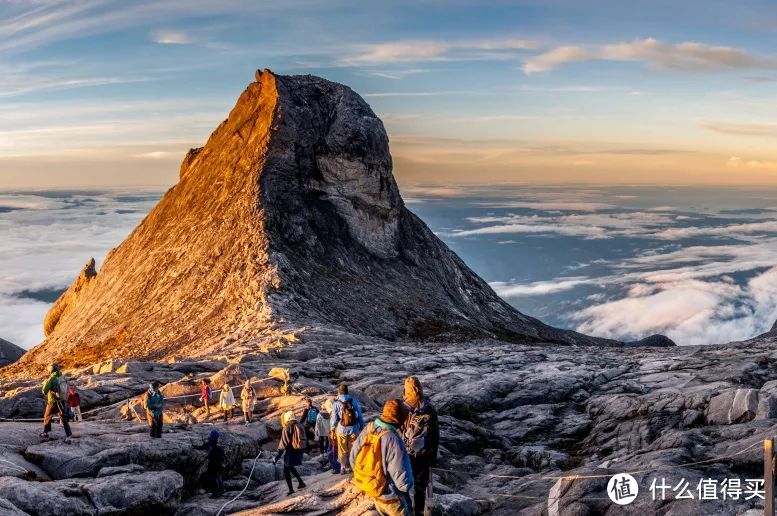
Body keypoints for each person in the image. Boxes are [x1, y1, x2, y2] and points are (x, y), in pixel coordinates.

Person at [351, 399, 413, 516]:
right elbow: (402, 480)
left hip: (372, 489)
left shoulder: (368, 428)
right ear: (399, 419)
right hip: (391, 495)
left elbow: (353, 458)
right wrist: (408, 487)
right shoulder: (394, 439)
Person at [402, 377, 440, 516]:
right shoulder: (429, 408)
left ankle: (406, 511)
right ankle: (419, 512)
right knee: (421, 487)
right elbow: (435, 434)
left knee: (403, 485)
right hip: (424, 455)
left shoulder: (402, 408)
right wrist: (433, 455)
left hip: (406, 455)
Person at [331, 384, 365, 474]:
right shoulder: (353, 401)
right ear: (347, 391)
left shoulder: (336, 403)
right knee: (353, 448)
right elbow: (360, 415)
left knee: (342, 449)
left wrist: (332, 428)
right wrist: (362, 426)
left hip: (341, 429)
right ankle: (351, 467)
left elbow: (334, 418)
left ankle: (342, 467)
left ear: (339, 392)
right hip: (354, 428)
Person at [273, 411, 307, 496]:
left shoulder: (287, 427)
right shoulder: (300, 425)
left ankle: (291, 490)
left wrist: (276, 457)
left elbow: (283, 444)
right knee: (289, 467)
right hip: (300, 450)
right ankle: (301, 482)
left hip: (291, 451)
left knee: (286, 469)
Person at [40, 363, 72, 441]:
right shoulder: (63, 377)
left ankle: (45, 433)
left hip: (53, 401)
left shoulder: (52, 378)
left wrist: (45, 383)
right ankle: (69, 436)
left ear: (51, 370)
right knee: (64, 418)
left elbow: (44, 391)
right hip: (62, 401)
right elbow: (67, 389)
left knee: (47, 416)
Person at [194, 429, 226, 497]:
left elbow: (204, 446)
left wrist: (195, 447)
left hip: (213, 463)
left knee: (213, 477)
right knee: (218, 476)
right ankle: (222, 490)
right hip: (219, 463)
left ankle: (216, 492)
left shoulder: (212, 443)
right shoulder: (218, 444)